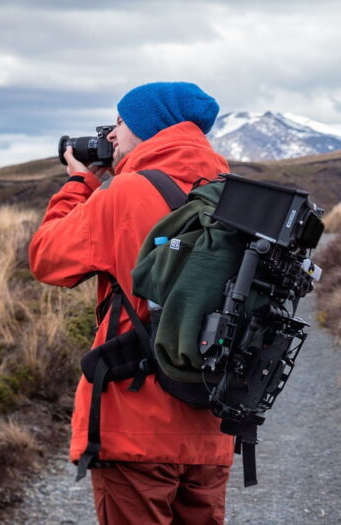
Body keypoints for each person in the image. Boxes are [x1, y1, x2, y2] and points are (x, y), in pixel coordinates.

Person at [29, 82, 234, 524]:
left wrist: (79, 184)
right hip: (211, 426)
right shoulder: (233, 195)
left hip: (136, 421)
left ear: (146, 127)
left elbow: (47, 259)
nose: (112, 136)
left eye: (120, 123)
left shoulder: (122, 195)